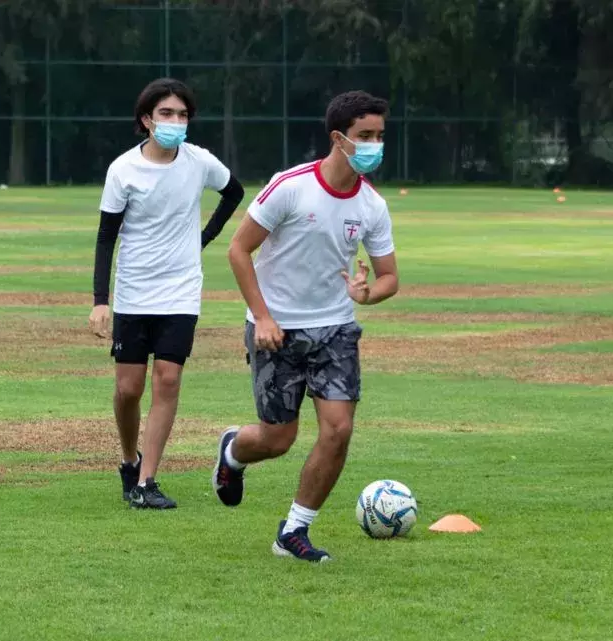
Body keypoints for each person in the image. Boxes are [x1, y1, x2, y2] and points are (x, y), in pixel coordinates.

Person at [211, 90, 400, 563]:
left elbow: (389, 276)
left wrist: (366, 294)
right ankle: (233, 452)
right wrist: (265, 317)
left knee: (337, 430)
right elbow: (237, 250)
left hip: (336, 329)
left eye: (380, 135)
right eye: (365, 136)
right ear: (339, 138)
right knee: (277, 439)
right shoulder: (291, 186)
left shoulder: (372, 206)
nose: (375, 145)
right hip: (278, 330)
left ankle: (294, 531)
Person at [91, 78, 245, 509]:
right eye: (166, 114)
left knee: (169, 379)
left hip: (181, 290)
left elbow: (234, 191)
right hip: (135, 291)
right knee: (128, 389)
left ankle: (146, 481)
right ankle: (128, 459)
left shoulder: (199, 162)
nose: (176, 121)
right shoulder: (123, 170)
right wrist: (101, 301)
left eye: (182, 115)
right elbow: (107, 237)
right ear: (146, 120)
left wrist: (203, 238)